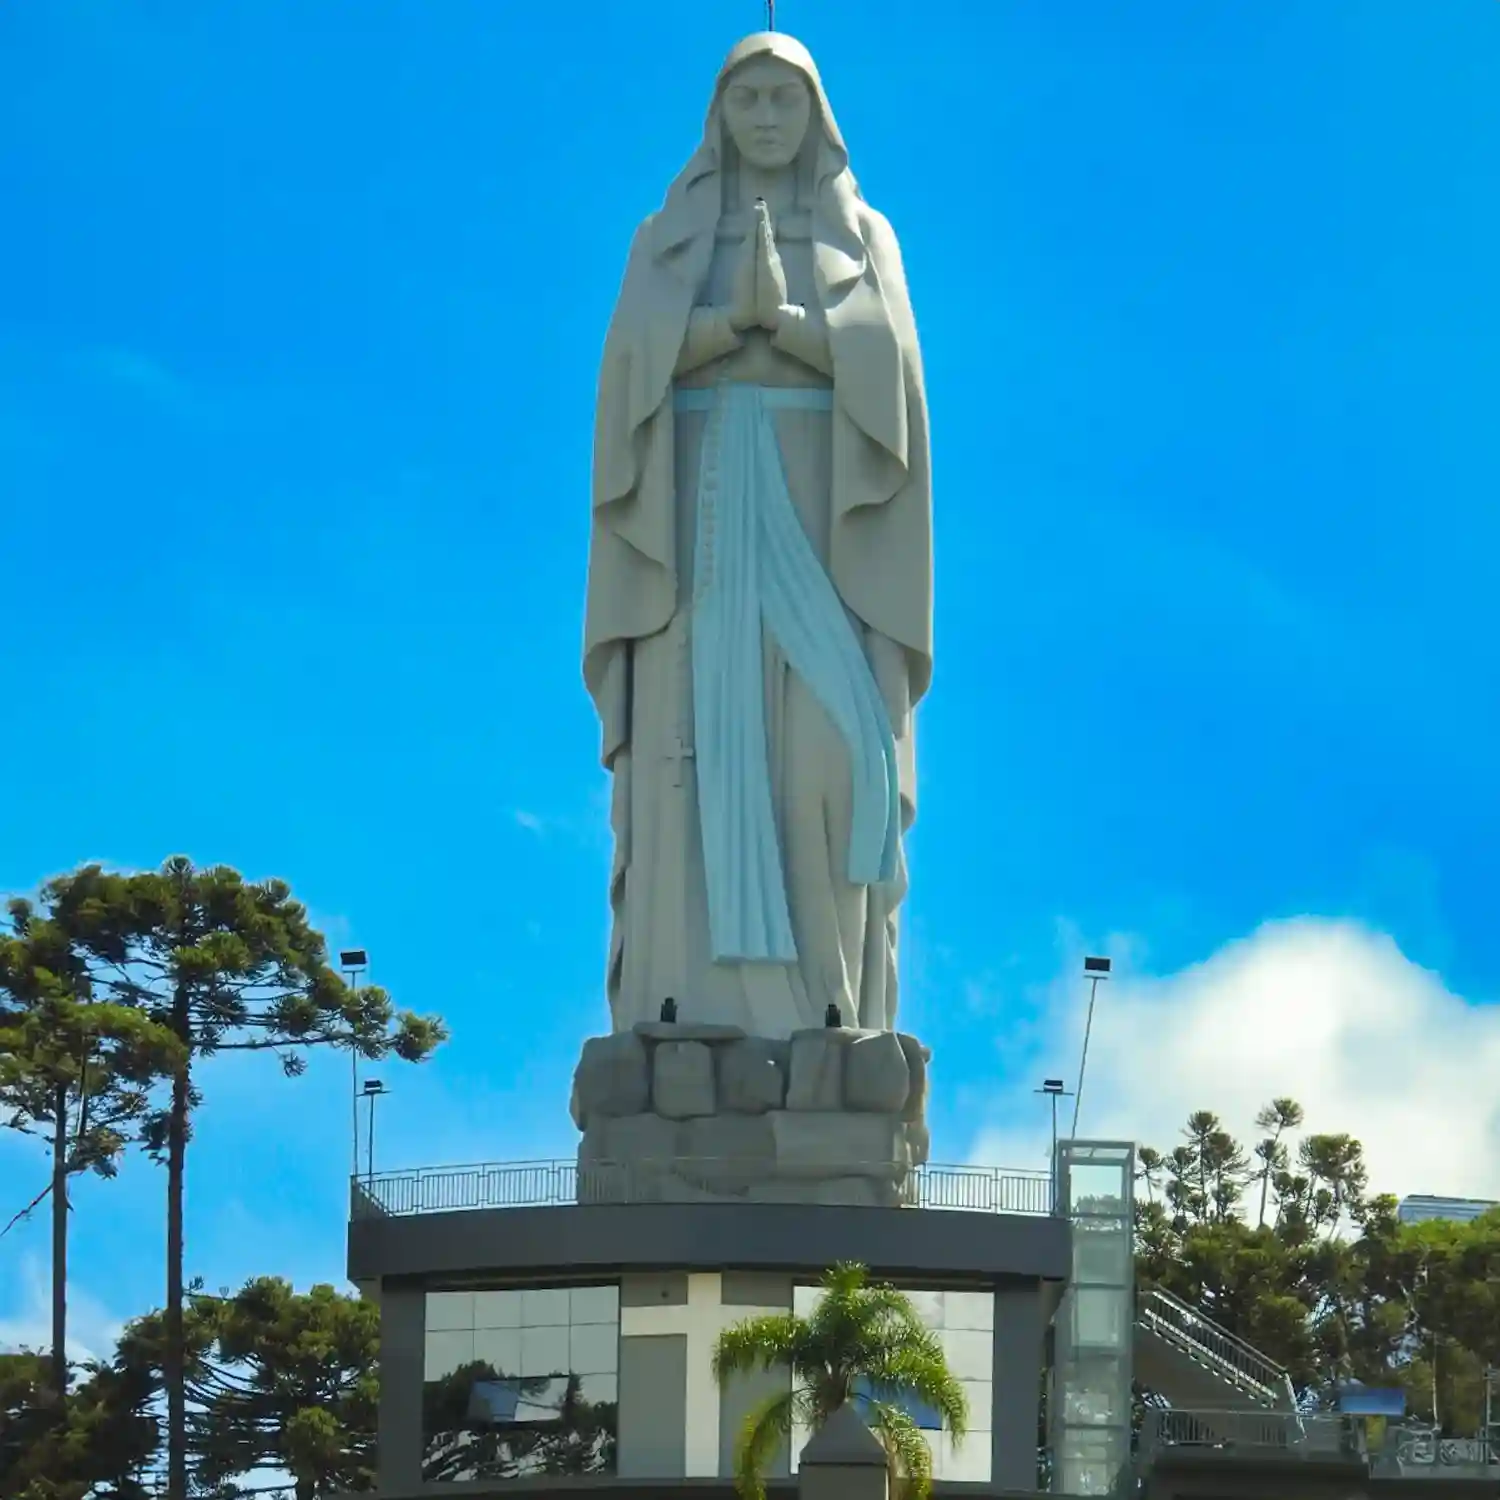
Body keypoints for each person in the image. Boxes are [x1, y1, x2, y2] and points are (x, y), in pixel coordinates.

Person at [585, 31, 933, 1039]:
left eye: (786, 98)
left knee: (836, 757)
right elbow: (623, 389)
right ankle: (680, 1011)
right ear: (721, 116)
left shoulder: (865, 237)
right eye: (751, 99)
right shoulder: (667, 241)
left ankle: (831, 1017)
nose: (769, 118)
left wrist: (790, 329)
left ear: (816, 113)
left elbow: (897, 393)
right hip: (696, 522)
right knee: (684, 758)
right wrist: (713, 331)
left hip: (825, 529)